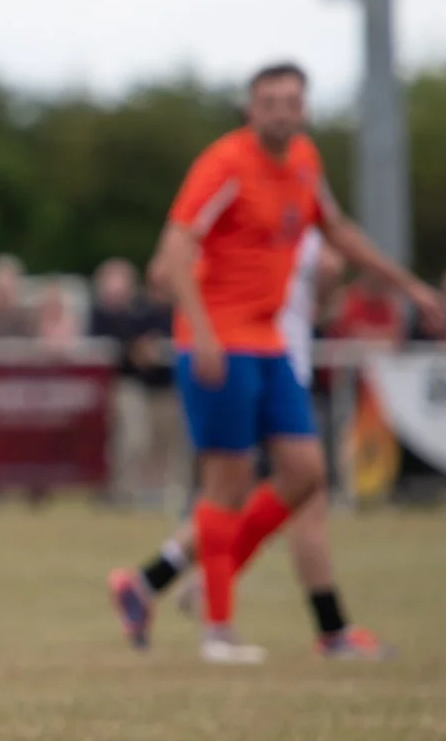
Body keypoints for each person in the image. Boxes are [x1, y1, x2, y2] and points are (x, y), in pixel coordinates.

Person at [104, 62, 446, 664]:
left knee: (307, 471)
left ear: (305, 108)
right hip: (223, 343)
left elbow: (338, 233)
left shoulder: (305, 163)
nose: (282, 111)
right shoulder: (225, 164)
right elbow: (170, 255)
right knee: (228, 486)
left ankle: (176, 582)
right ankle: (221, 628)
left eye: (292, 101)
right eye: (269, 101)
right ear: (250, 107)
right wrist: (202, 332)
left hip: (270, 344)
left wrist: (410, 287)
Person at [113, 232, 392, 660]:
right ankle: (323, 629)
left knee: (244, 489)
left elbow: (162, 271)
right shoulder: (275, 203)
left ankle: (156, 581)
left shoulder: (250, 203)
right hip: (264, 358)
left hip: (254, 357)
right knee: (289, 490)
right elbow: (333, 266)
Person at [87, 257, 182, 509]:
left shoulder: (180, 309)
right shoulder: (136, 309)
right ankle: (125, 493)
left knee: (167, 443)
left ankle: (161, 495)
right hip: (136, 384)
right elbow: (125, 344)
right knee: (135, 439)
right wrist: (137, 351)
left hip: (167, 386)